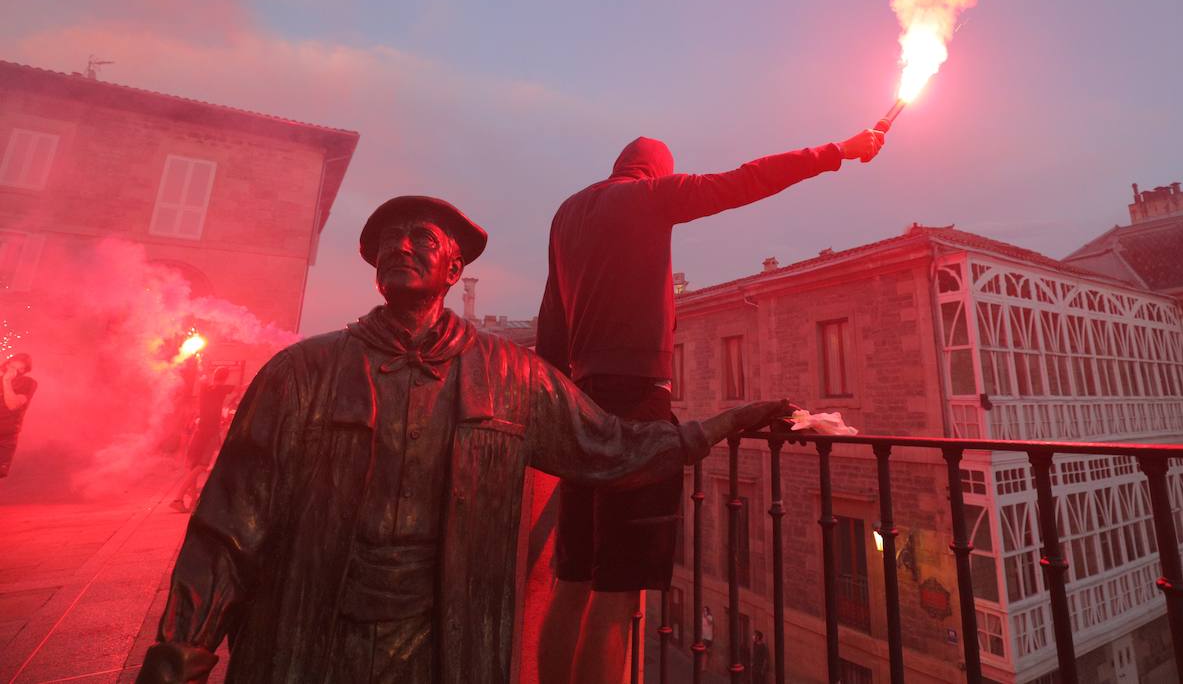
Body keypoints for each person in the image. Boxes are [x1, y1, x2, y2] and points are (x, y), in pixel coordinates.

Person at [135, 195, 789, 684]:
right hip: (308, 640)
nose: (400, 245)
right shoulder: (301, 373)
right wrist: (180, 653)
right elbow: (228, 525)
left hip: (445, 648)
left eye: (422, 236)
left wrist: (729, 422)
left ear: (454, 268)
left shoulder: (512, 377)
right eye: (387, 239)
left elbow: (614, 451)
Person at [536, 130, 884, 682]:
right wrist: (838, 152)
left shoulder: (567, 212)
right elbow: (747, 180)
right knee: (615, 593)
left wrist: (559, 409)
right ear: (656, 171)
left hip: (578, 405)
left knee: (572, 581)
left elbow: (550, 323)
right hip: (637, 408)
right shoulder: (650, 195)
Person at [169, 367, 236, 512]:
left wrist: (201, 369)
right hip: (209, 434)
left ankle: (193, 501)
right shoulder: (220, 390)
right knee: (201, 466)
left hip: (198, 433)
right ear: (225, 378)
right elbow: (239, 388)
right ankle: (178, 498)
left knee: (194, 467)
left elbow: (202, 376)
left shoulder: (204, 389)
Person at [0, 353, 37, 478]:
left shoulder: (28, 383)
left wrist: (6, 381)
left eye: (20, 369)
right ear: (7, 364)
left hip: (4, 437)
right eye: (12, 367)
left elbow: (13, 405)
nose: (15, 372)